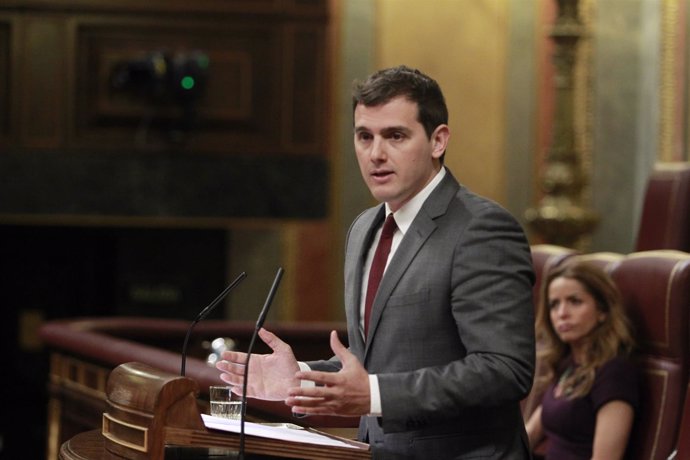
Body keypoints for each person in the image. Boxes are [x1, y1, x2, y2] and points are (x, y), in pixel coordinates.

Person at [217, 65, 536, 459]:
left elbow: (504, 370)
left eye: (395, 136)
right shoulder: (363, 228)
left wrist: (374, 395)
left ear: (438, 141)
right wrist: (303, 379)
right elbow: (379, 360)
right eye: (364, 137)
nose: (376, 154)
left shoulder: (481, 229)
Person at [525, 259, 638, 460]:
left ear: (603, 311)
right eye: (554, 304)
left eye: (575, 301)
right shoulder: (568, 363)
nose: (562, 314)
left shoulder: (614, 372)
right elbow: (531, 434)